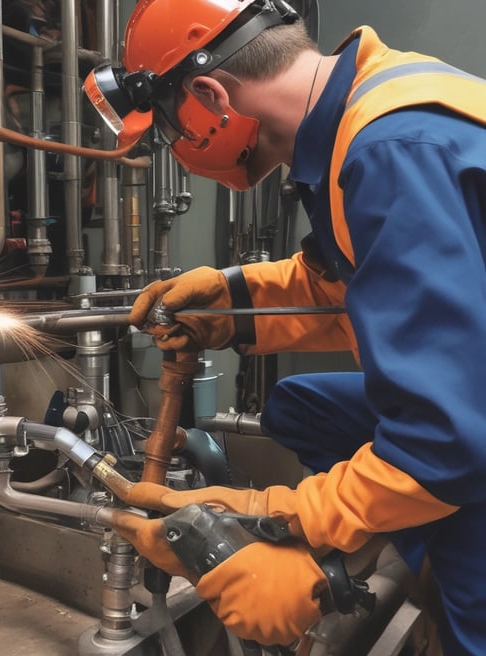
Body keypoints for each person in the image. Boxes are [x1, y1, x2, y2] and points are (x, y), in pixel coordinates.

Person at [84, 0, 486, 653]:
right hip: (471, 403)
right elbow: (349, 288)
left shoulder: (389, 153)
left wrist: (296, 535)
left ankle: (450, 552)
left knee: (466, 566)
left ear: (209, 97)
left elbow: (445, 438)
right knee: (302, 407)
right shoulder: (367, 108)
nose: (177, 148)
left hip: (469, 428)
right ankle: (419, 538)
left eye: (168, 126)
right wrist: (230, 307)